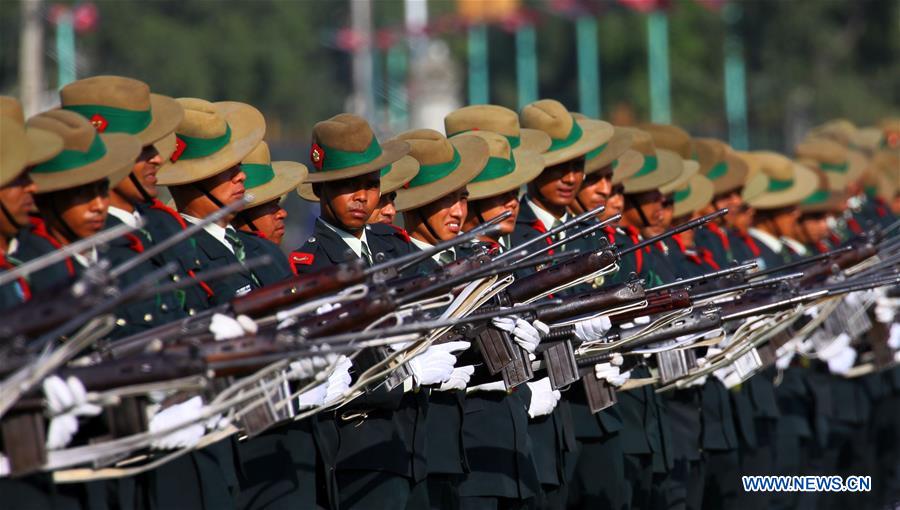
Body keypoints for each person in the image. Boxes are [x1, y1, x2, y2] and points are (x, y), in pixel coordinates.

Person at [292, 113, 430, 510]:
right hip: (360, 447)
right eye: (347, 186)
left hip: (416, 442)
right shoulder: (311, 265)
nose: (362, 197)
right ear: (322, 190)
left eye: (371, 185)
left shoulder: (396, 246)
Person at [152, 97, 266, 510]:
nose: (241, 177)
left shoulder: (244, 247)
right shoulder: (179, 249)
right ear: (193, 181)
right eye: (224, 171)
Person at [517, 99, 613, 508]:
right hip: (532, 398)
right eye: (557, 166)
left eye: (577, 166)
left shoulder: (591, 230)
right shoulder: (515, 233)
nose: (570, 177)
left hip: (586, 401)